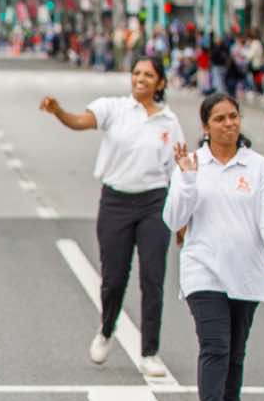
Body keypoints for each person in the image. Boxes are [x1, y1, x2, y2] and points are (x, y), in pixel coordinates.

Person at [38, 56, 182, 378]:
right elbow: (80, 121)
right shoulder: (113, 109)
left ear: (160, 83)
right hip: (116, 202)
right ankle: (106, 330)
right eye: (136, 73)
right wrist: (59, 111)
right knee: (114, 278)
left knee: (153, 278)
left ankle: (150, 352)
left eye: (148, 75)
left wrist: (182, 220)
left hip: (154, 203)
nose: (140, 79)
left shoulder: (169, 123)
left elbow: (177, 173)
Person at [165, 93, 264, 401]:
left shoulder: (258, 167)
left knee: (235, 351)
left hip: (246, 272)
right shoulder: (192, 164)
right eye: (219, 119)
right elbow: (174, 219)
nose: (229, 123)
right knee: (215, 345)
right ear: (206, 126)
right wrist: (187, 180)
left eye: (233, 116)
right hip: (203, 270)